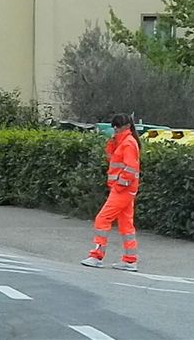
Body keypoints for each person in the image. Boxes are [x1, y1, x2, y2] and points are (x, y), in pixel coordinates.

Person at [81, 113, 141, 272]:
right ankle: (130, 259)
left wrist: (120, 186)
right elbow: (113, 160)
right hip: (126, 190)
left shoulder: (128, 143)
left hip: (122, 189)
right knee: (126, 225)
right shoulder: (125, 142)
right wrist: (112, 144)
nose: (115, 128)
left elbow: (130, 169)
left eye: (118, 125)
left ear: (126, 126)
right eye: (114, 125)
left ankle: (97, 255)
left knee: (102, 219)